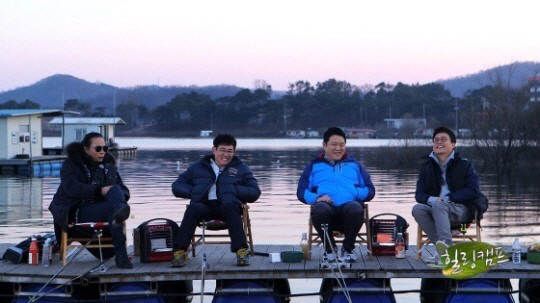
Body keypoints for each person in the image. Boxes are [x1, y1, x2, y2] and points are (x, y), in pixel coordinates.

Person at [171, 134, 261, 267]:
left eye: (230, 151)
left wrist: (234, 190)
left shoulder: (241, 168)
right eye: (222, 150)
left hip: (228, 206)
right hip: (204, 205)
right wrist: (194, 192)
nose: (226, 154)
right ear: (214, 150)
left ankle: (241, 251)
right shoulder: (198, 167)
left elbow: (255, 191)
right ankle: (179, 252)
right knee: (192, 208)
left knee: (231, 207)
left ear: (234, 152)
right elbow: (177, 186)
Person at [49, 132, 132, 268]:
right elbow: (71, 188)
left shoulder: (108, 166)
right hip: (76, 211)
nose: (102, 152)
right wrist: (100, 191)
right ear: (86, 149)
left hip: (102, 209)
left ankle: (119, 212)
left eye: (105, 148)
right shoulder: (71, 164)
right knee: (115, 203)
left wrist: (115, 195)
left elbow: (124, 190)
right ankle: (122, 256)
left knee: (116, 198)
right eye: (98, 148)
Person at [297, 127, 375, 262]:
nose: (338, 148)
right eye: (334, 144)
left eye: (341, 145)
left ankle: (348, 250)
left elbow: (370, 190)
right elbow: (301, 192)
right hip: (327, 208)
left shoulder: (355, 165)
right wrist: (317, 198)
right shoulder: (314, 166)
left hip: (349, 207)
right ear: (324, 145)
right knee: (319, 208)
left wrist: (355, 193)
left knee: (356, 208)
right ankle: (330, 250)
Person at [412, 126, 488, 258]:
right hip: (436, 209)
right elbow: (419, 195)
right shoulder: (426, 167)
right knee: (418, 209)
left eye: (443, 139)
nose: (439, 142)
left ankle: (444, 251)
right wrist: (433, 199)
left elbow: (473, 190)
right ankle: (445, 249)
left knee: (439, 205)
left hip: (460, 210)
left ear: (453, 144)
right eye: (436, 140)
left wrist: (449, 198)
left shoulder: (465, 165)